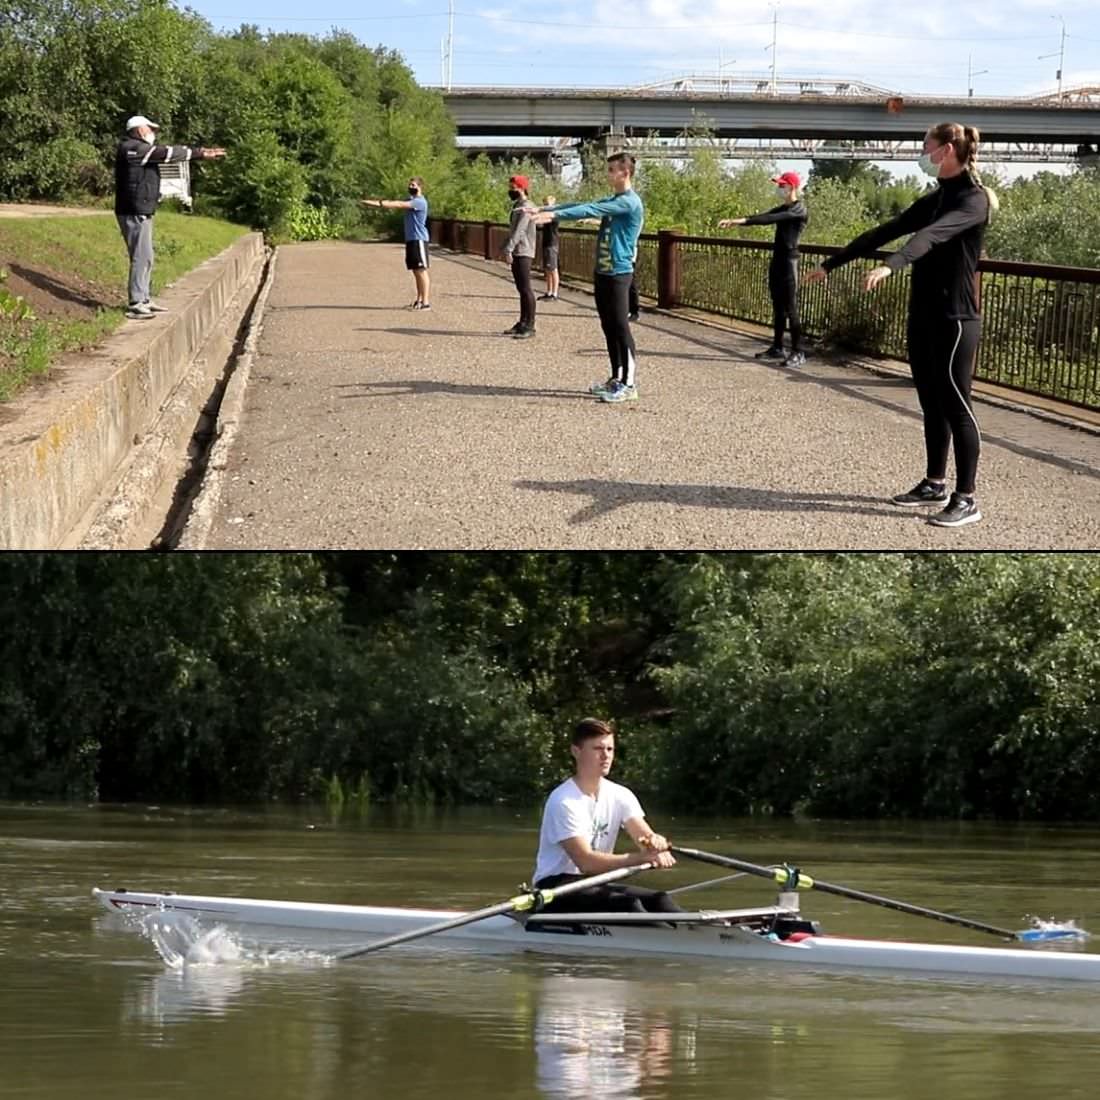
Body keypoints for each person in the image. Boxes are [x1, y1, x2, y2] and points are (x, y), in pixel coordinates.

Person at [804, 123, 996, 528]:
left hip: (956, 319)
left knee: (957, 406)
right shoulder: (936, 198)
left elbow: (928, 238)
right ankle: (934, 483)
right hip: (924, 314)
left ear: (945, 150)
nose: (921, 152)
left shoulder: (973, 200)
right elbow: (885, 231)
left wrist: (891, 265)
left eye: (925, 146)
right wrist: (830, 264)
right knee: (930, 402)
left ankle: (967, 499)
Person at [532, 717, 681, 915]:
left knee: (659, 899)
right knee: (628, 905)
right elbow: (586, 863)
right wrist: (642, 858)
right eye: (597, 749)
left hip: (594, 883)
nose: (606, 756)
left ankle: (701, 934)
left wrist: (655, 843)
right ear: (576, 752)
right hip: (555, 887)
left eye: (610, 749)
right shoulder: (563, 801)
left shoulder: (620, 795)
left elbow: (643, 837)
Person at [531, 154, 644, 404]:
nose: (608, 174)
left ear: (625, 173)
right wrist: (545, 208)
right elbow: (584, 203)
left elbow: (591, 209)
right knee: (608, 326)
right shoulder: (615, 199)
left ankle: (629, 384)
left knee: (620, 327)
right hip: (603, 272)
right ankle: (616, 378)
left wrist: (552, 217)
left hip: (618, 273)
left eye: (612, 170)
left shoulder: (629, 202)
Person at [114, 115, 226, 320]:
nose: (153, 133)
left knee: (146, 256)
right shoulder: (132, 149)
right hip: (133, 210)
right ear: (140, 130)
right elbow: (166, 153)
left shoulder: (137, 148)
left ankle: (144, 298)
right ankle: (136, 303)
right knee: (140, 256)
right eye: (151, 129)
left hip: (142, 209)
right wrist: (201, 153)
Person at [719, 170, 808, 367]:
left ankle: (798, 351)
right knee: (777, 306)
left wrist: (739, 221)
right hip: (778, 260)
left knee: (791, 308)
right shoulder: (782, 208)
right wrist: (736, 221)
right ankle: (777, 347)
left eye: (782, 185)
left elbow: (769, 220)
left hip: (789, 262)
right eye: (778, 185)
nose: (779, 188)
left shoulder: (798, 209)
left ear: (792, 187)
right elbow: (762, 216)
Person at [361, 177, 431, 310]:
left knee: (421, 271)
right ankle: (419, 300)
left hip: (419, 239)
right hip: (411, 240)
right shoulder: (411, 200)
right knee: (416, 271)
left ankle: (426, 302)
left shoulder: (419, 202)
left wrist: (380, 203)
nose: (410, 187)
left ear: (420, 187)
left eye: (413, 185)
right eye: (409, 184)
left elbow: (398, 204)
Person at [501, 174, 538, 338]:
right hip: (518, 250)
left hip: (524, 251)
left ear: (521, 188)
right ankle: (522, 322)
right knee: (521, 288)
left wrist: (509, 248)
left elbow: (520, 230)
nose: (510, 190)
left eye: (512, 188)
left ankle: (529, 325)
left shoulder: (527, 207)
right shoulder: (518, 205)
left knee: (526, 288)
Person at [538, 194, 561, 301]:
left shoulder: (555, 215)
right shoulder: (545, 214)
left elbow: (545, 220)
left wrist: (535, 218)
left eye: (547, 204)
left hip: (552, 243)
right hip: (546, 242)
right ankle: (549, 291)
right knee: (547, 269)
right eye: (545, 204)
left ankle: (555, 293)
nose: (546, 206)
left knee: (553, 269)